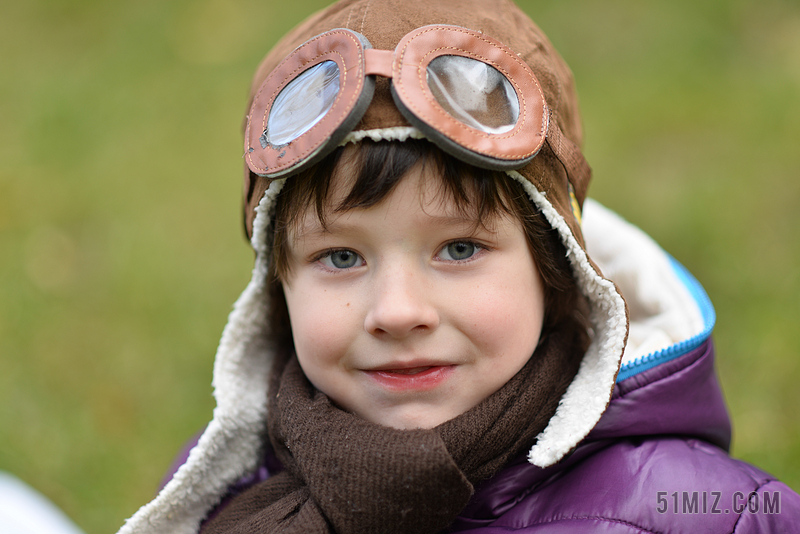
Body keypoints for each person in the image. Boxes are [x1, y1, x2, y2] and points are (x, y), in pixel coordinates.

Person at [116, 0, 800, 531]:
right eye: (342, 256)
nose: (398, 312)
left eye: (460, 249)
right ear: (277, 289)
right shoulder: (224, 494)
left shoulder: (701, 512)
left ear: (555, 269)